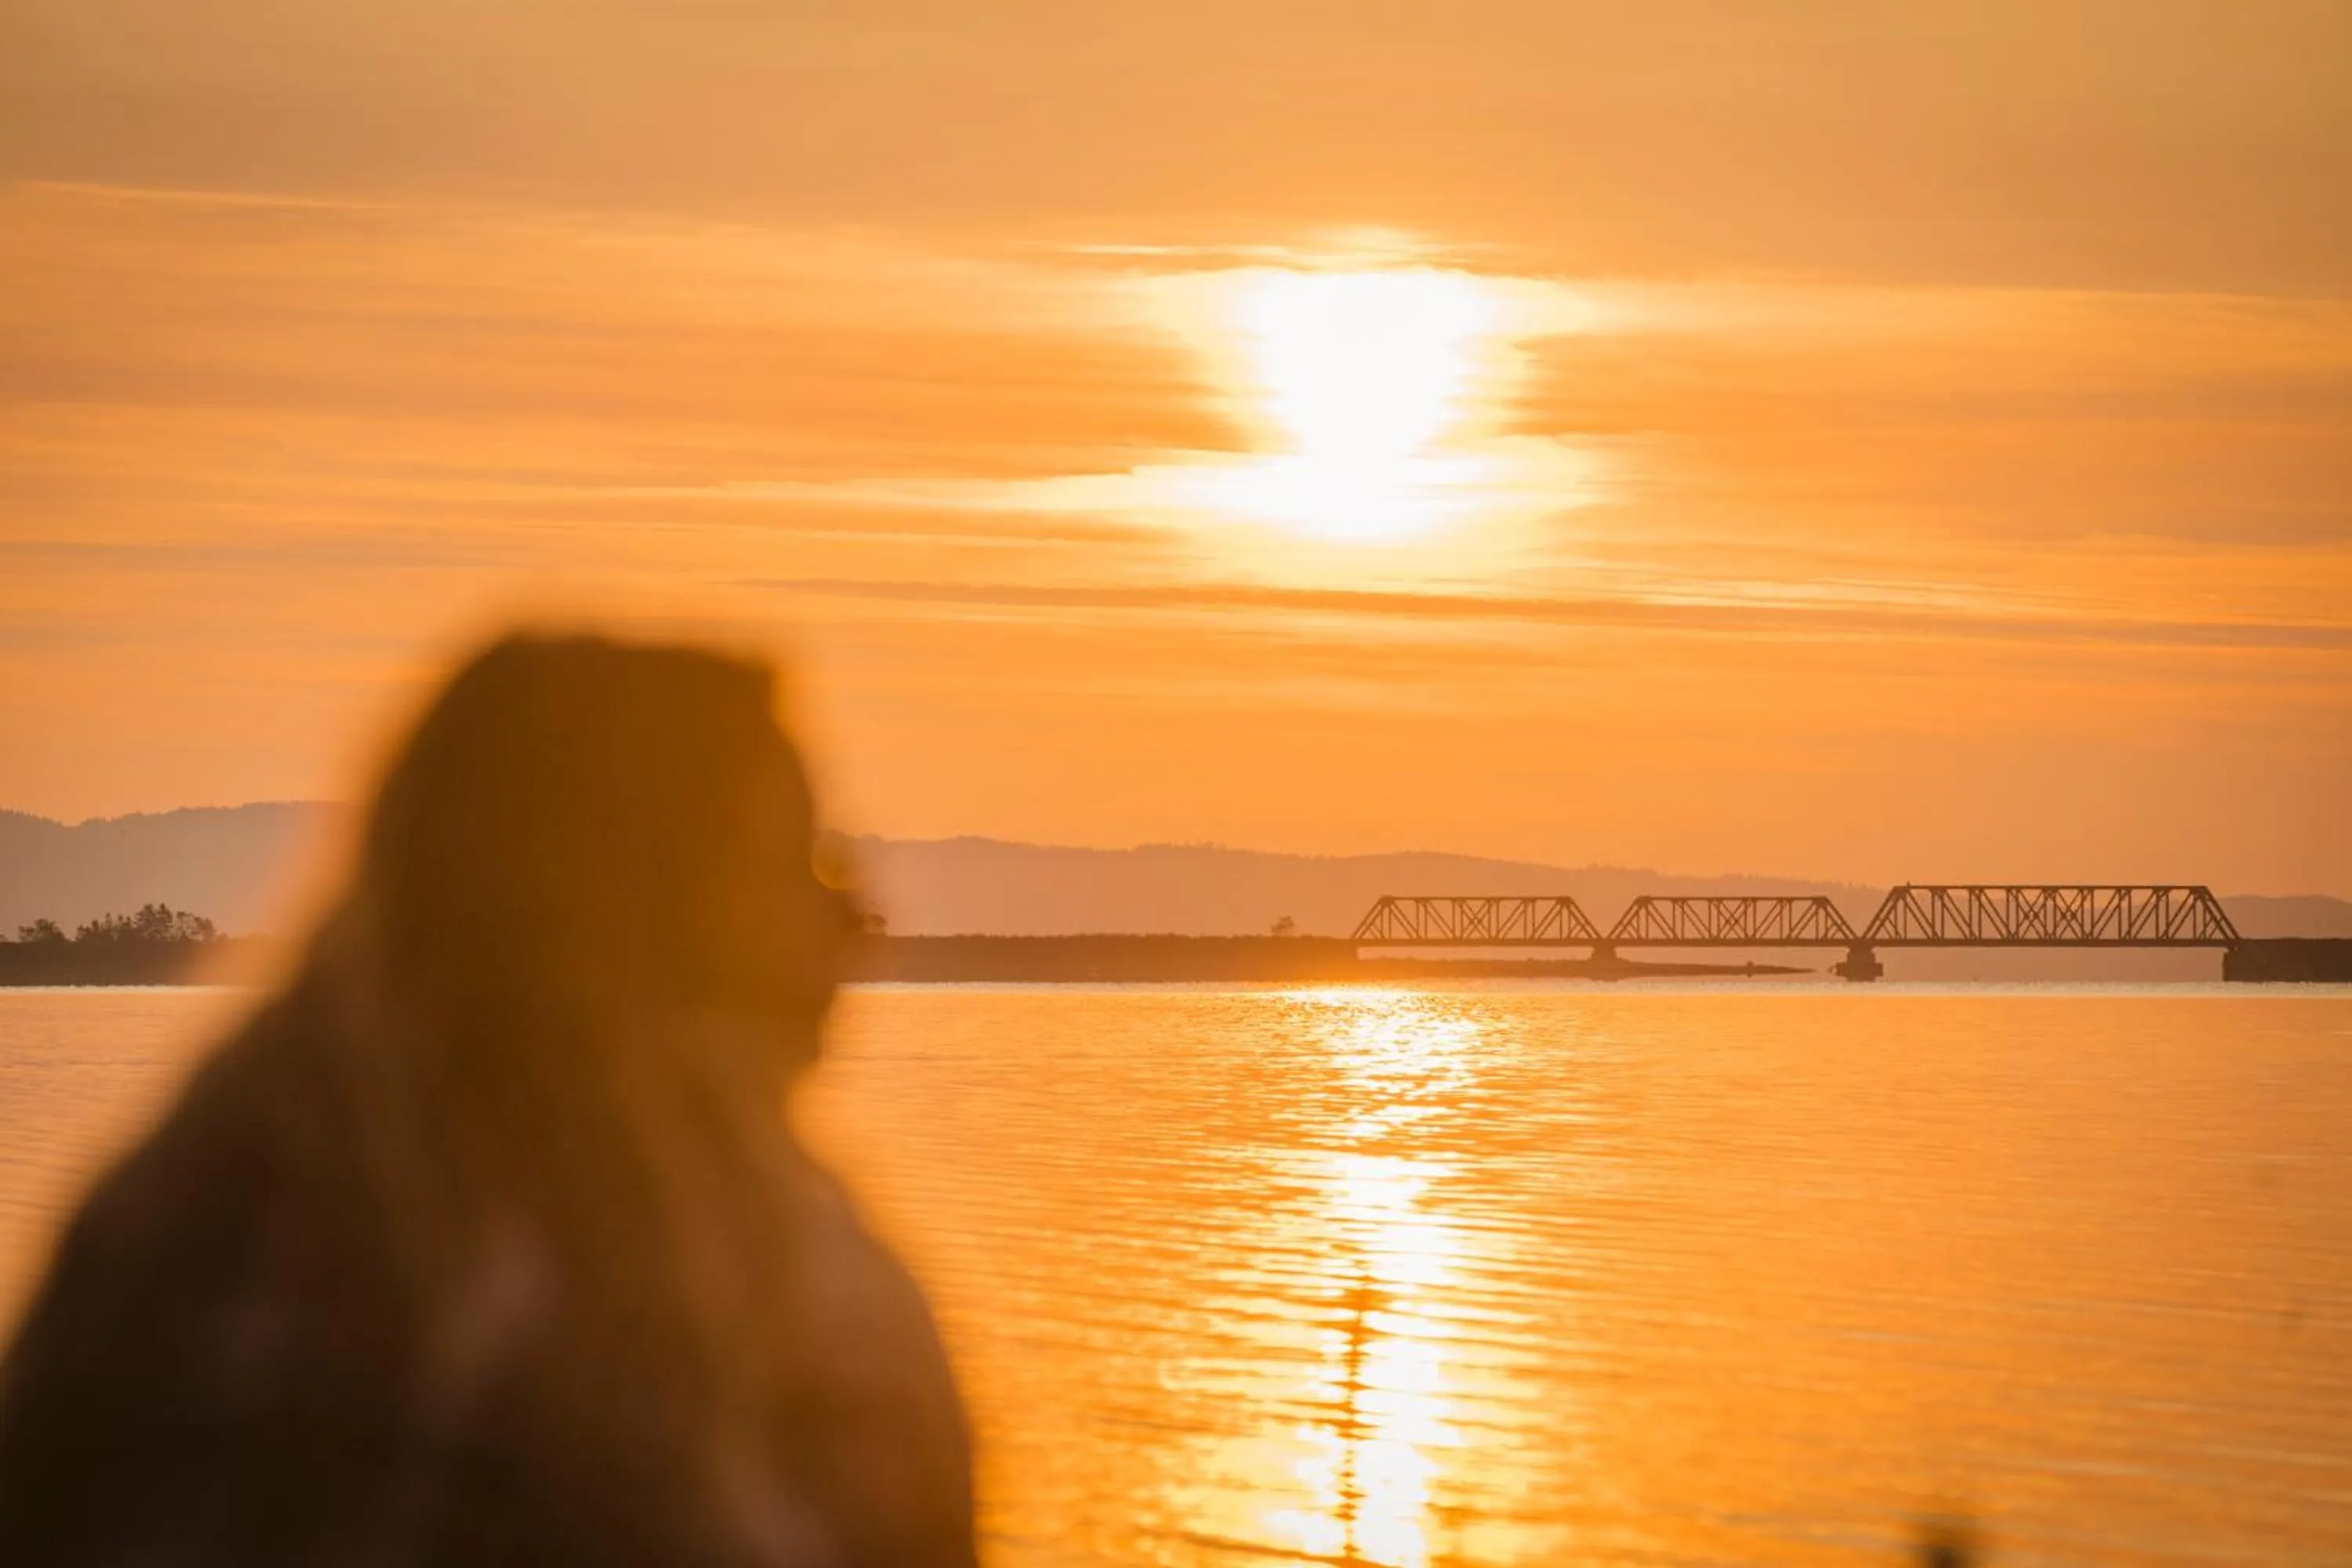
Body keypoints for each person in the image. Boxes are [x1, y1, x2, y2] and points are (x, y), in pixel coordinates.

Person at [0, 633, 975, 1566]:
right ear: (629, 916)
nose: (853, 919)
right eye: (800, 865)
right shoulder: (799, 1323)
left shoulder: (160, 1234)